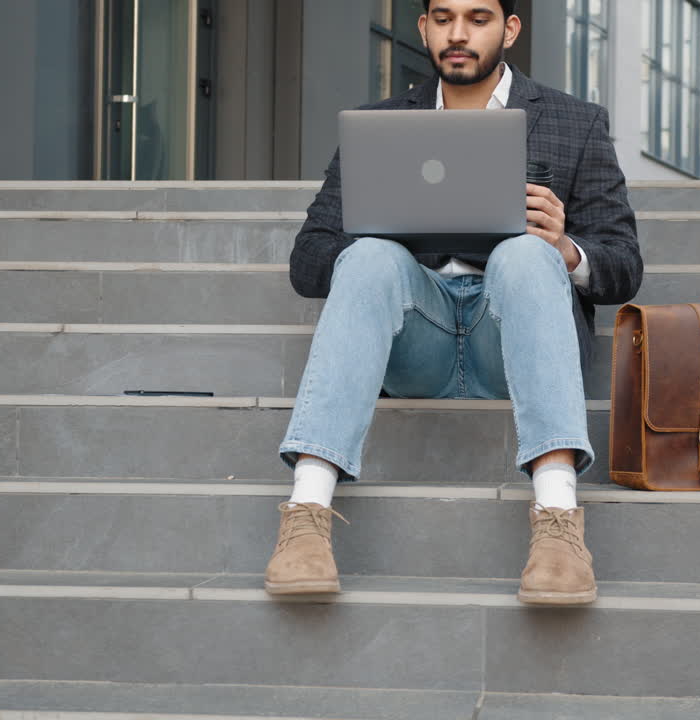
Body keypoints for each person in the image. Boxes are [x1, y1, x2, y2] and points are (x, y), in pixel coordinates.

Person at [264, 0, 642, 605]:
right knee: (364, 258)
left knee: (523, 254)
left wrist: (565, 247)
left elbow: (624, 267)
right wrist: (382, 223)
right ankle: (306, 513)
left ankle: (559, 523)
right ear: (423, 29)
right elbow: (308, 265)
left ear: (510, 29)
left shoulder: (576, 123)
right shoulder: (379, 126)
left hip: (511, 337)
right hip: (419, 338)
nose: (458, 33)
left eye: (478, 17)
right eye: (442, 18)